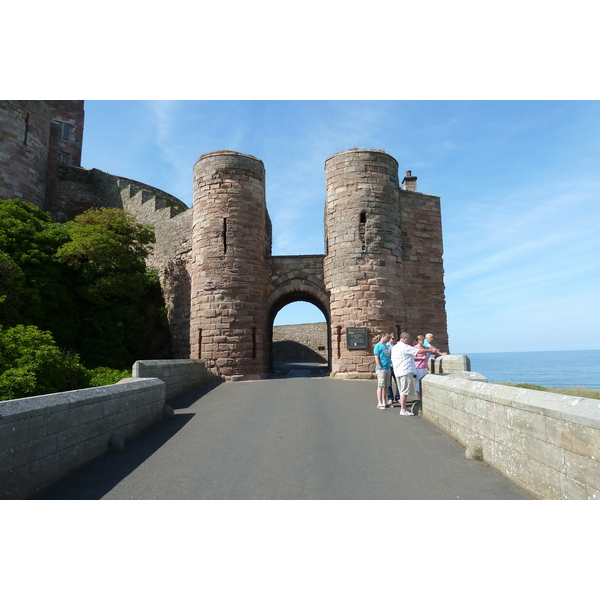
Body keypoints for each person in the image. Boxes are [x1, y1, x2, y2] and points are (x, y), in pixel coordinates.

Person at [391, 332, 420, 416]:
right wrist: (431, 350)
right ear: (404, 338)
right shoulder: (405, 347)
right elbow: (419, 351)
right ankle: (403, 410)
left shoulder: (395, 347)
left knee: (402, 391)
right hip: (405, 371)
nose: (409, 340)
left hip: (398, 371)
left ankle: (403, 408)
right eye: (408, 338)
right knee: (404, 391)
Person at [373, 332, 391, 409]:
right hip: (381, 369)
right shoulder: (378, 346)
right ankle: (379, 403)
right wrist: (379, 367)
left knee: (385, 386)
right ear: (383, 336)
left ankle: (385, 402)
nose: (388, 339)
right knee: (380, 386)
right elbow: (376, 357)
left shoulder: (386, 346)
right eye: (387, 337)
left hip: (387, 368)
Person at [413, 335, 429, 401]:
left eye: (423, 340)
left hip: (424, 366)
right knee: (418, 381)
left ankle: (423, 396)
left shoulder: (425, 347)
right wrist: (421, 358)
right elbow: (413, 357)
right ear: (418, 340)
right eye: (421, 340)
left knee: (424, 381)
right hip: (418, 367)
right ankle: (419, 397)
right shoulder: (415, 348)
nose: (423, 341)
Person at [386, 333, 400, 405]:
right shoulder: (386, 346)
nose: (394, 340)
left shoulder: (396, 346)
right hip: (389, 366)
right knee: (389, 383)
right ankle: (390, 397)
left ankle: (398, 397)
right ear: (389, 339)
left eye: (394, 338)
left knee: (398, 382)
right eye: (392, 338)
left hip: (395, 366)